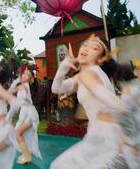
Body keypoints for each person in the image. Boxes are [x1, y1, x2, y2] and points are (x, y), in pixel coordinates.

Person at [50, 35, 127, 169]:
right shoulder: (84, 75)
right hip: (99, 133)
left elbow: (114, 103)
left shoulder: (88, 74)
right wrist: (64, 66)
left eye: (94, 48)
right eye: (85, 44)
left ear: (101, 58)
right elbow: (57, 88)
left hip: (107, 136)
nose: (86, 48)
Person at [12, 67, 41, 164]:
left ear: (30, 78)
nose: (24, 75)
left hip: (30, 114)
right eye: (23, 73)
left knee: (18, 133)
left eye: (27, 74)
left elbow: (13, 91)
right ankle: (26, 155)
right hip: (25, 113)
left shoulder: (25, 86)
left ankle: (27, 156)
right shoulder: (23, 85)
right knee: (20, 133)